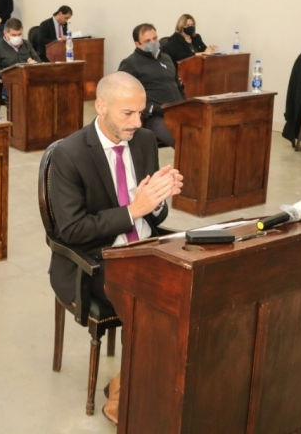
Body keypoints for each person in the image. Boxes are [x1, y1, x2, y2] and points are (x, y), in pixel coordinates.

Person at [47, 71, 182, 425]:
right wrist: (133, 210)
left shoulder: (144, 141)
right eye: (128, 113)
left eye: (141, 112)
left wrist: (158, 199)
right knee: (154, 304)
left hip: (145, 248)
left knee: (193, 291)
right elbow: (71, 230)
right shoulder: (70, 154)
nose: (138, 122)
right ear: (101, 106)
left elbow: (153, 213)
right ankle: (127, 395)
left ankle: (138, 382)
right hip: (94, 260)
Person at [118, 23, 185, 148]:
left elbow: (178, 85)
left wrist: (185, 103)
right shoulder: (130, 63)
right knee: (184, 140)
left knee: (203, 133)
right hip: (154, 117)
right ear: (137, 44)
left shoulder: (166, 58)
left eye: (155, 38)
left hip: (179, 111)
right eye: (147, 41)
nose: (153, 43)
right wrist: (150, 109)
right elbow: (123, 96)